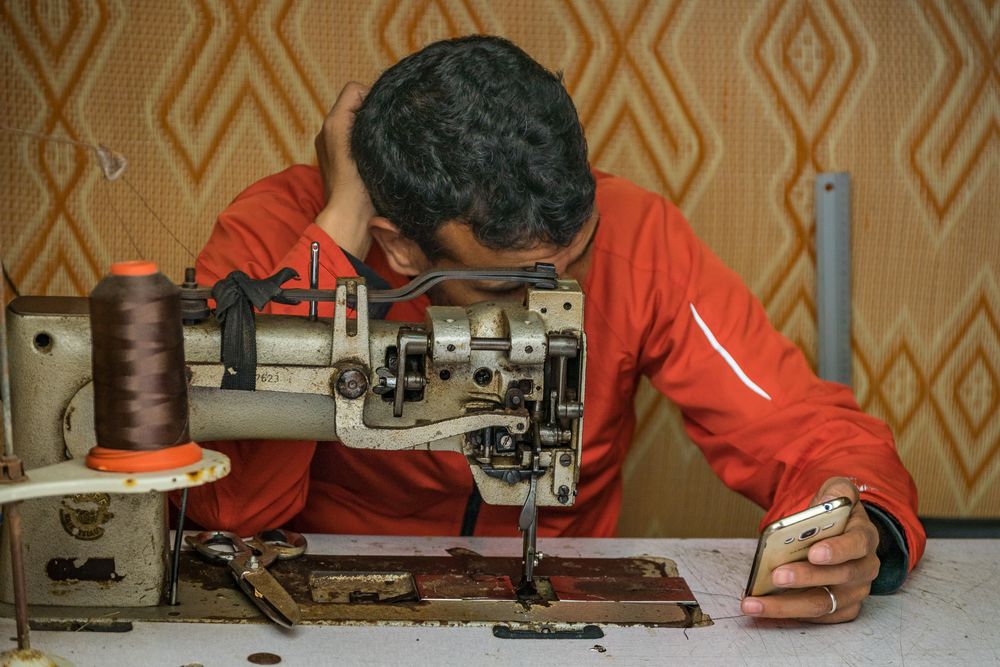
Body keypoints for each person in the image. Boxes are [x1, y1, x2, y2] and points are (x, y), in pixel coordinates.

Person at [189, 35, 924, 623]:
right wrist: (337, 239)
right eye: (517, 283)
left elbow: (808, 429)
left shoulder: (638, 232)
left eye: (581, 252)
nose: (563, 294)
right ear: (402, 246)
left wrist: (857, 521)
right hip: (330, 593)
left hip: (563, 598)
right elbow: (230, 507)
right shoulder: (279, 244)